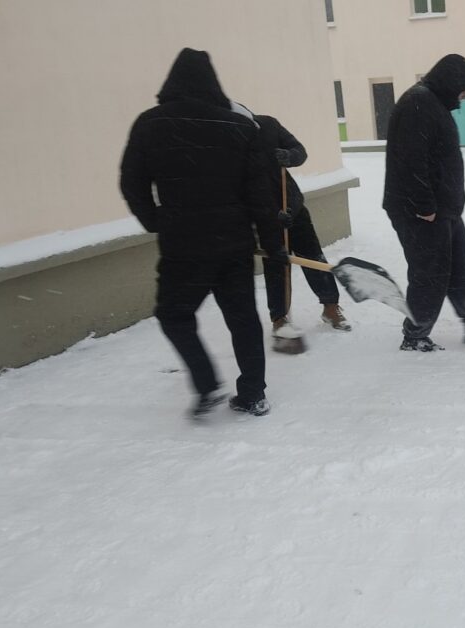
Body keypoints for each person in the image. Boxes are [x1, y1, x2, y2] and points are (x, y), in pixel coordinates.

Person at [119, 48, 285, 418]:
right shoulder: (240, 127)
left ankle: (207, 383)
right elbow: (260, 195)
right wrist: (273, 244)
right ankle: (253, 393)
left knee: (174, 315)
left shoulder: (150, 124)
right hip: (234, 243)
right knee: (242, 318)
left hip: (183, 245)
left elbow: (132, 183)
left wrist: (157, 221)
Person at [382, 54, 465, 352]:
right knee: (429, 273)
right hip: (419, 211)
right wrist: (425, 206)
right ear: (451, 83)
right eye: (464, 91)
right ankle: (415, 334)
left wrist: (447, 207)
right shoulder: (419, 103)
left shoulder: (432, 103)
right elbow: (411, 160)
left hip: (443, 210)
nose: (464, 97)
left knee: (460, 265)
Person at [255, 113, 352, 336]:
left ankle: (330, 307)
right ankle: (279, 318)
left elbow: (299, 150)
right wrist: (271, 215)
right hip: (265, 214)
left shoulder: (267, 125)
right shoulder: (235, 139)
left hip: (292, 204)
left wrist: (290, 155)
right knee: (276, 264)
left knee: (313, 257)